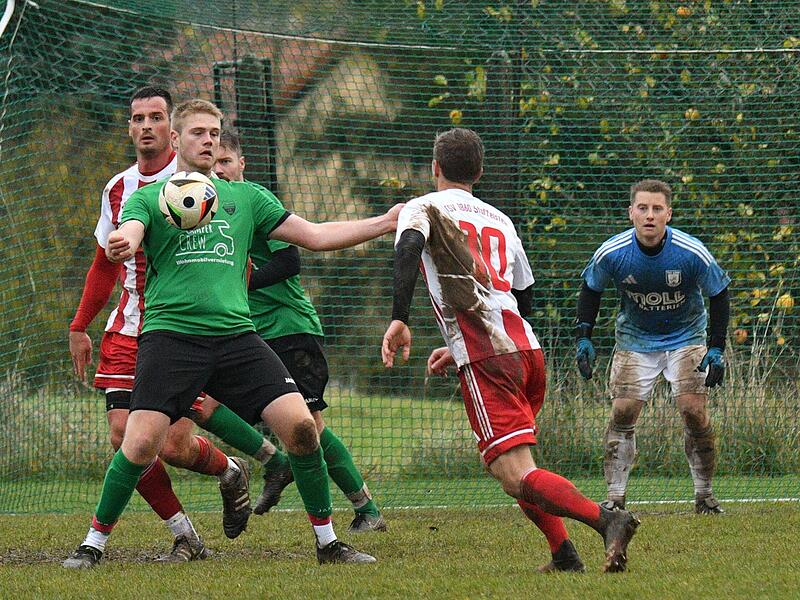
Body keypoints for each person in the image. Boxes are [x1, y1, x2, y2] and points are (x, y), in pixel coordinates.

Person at [64, 98, 401, 569]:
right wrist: (125, 241)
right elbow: (133, 230)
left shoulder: (247, 198)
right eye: (198, 132)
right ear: (176, 139)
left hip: (237, 338)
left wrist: (385, 222)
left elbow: (315, 236)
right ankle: (92, 545)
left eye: (214, 133)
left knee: (303, 428)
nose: (208, 140)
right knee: (138, 445)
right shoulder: (147, 197)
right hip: (171, 339)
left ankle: (328, 544)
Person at [381, 128, 640, 573]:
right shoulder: (500, 219)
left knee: (515, 473)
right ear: (479, 172)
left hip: (489, 359)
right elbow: (523, 294)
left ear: (435, 167)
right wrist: (459, 344)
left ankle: (607, 520)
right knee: (518, 472)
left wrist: (400, 318)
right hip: (526, 352)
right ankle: (563, 554)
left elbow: (408, 248)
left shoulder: (422, 206)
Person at [209, 130, 386, 532]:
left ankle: (365, 510)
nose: (219, 170)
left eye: (226, 161)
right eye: (213, 163)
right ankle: (275, 462)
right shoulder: (204, 211)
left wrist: (237, 281)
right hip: (248, 332)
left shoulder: (255, 200)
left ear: (241, 164)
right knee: (202, 401)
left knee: (310, 425)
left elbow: (290, 261)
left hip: (288, 328)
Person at [575, 179, 730, 515]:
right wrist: (584, 336)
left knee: (694, 411)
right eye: (642, 208)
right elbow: (590, 288)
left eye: (657, 209)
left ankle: (704, 497)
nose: (649, 215)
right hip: (635, 339)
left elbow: (719, 292)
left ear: (668, 214)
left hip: (687, 336)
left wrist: (717, 347)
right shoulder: (612, 252)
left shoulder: (691, 252)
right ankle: (615, 500)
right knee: (623, 412)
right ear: (630, 212)